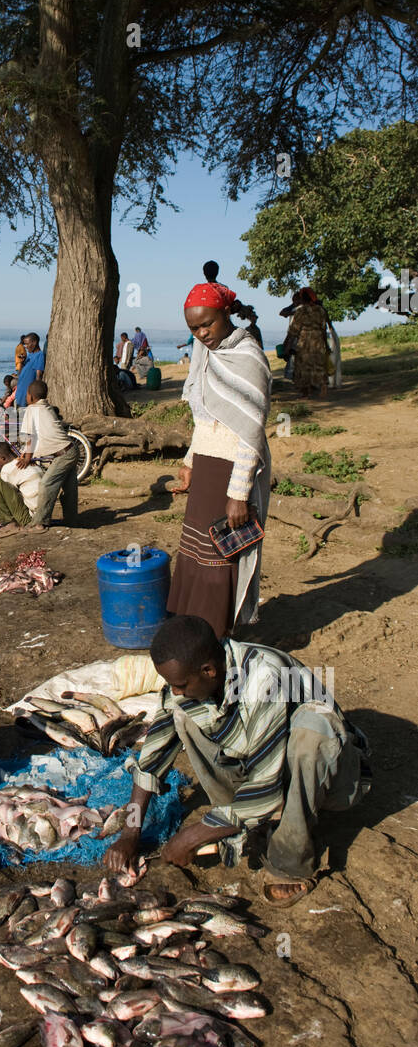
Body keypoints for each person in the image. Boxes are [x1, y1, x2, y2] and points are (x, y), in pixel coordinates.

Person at [105, 615, 371, 907]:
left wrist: (193, 835)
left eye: (180, 684)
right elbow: (151, 759)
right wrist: (130, 832)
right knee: (182, 716)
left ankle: (290, 860)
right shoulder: (191, 682)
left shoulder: (264, 679)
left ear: (208, 670)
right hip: (264, 765)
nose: (176, 691)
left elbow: (267, 788)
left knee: (313, 731)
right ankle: (241, 817)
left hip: (333, 778)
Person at [168, 280, 271, 639]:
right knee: (196, 550)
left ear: (225, 313)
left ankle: (216, 633)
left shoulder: (248, 358)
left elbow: (251, 432)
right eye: (193, 329)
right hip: (207, 467)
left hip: (231, 471)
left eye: (206, 324)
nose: (201, 334)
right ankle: (195, 628)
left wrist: (239, 493)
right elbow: (205, 418)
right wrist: (190, 462)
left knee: (219, 555)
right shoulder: (207, 356)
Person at [18, 379, 77, 530]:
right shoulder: (46, 406)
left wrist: (27, 458)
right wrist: (27, 454)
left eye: (26, 395)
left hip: (64, 454)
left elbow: (30, 437)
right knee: (69, 488)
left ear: (30, 397)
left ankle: (40, 522)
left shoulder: (31, 409)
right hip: (71, 449)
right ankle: (71, 520)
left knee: (46, 484)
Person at [0, 441, 44, 534]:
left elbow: (7, 498)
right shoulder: (29, 462)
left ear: (3, 458)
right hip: (45, 514)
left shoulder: (7, 470)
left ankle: (9, 524)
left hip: (32, 519)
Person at [281, 288, 328, 398]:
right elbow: (323, 329)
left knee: (303, 366)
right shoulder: (320, 310)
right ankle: (322, 386)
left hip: (304, 340)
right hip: (318, 340)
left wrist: (286, 346)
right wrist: (326, 345)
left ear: (302, 298)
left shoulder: (300, 311)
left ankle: (306, 392)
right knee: (318, 364)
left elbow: (293, 331)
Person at [14, 332, 45, 407]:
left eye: (27, 344)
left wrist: (35, 396)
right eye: (25, 344)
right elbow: (20, 374)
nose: (25, 346)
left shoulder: (39, 355)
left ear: (34, 342)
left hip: (27, 395)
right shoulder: (29, 355)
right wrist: (22, 362)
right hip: (20, 393)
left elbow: (38, 375)